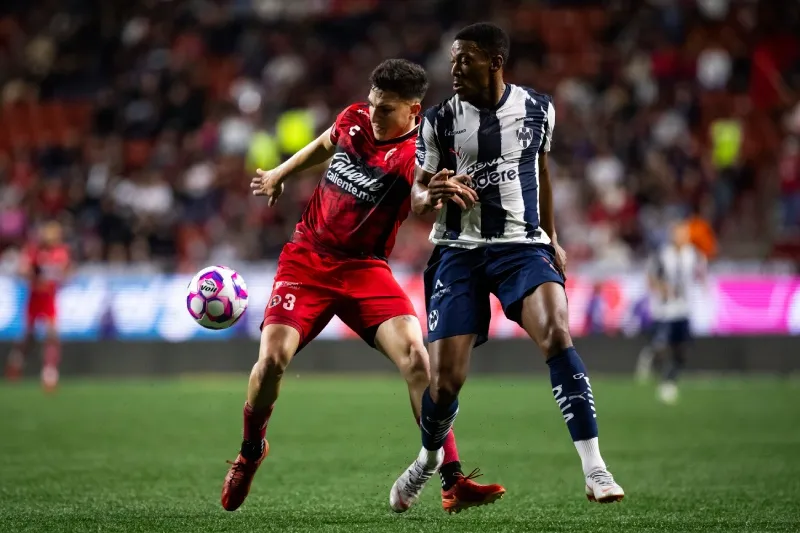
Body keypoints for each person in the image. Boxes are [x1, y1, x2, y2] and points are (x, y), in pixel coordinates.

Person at [221, 59, 504, 513]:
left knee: (418, 360)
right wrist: (280, 173)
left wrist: (432, 195)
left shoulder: (420, 152)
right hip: (307, 258)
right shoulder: (354, 118)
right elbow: (324, 143)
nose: (374, 116)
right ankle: (251, 450)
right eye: (373, 105)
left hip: (364, 270)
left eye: (386, 110)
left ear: (414, 111)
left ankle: (453, 480)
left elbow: (417, 194)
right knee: (272, 359)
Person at [389, 23, 625, 512]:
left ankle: (594, 466)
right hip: (458, 251)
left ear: (495, 62)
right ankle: (429, 459)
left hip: (522, 246)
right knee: (445, 382)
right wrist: (431, 192)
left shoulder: (539, 108)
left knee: (557, 334)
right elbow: (415, 194)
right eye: (452, 60)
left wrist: (553, 236)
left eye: (464, 59)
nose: (453, 68)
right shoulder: (439, 120)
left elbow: (540, 169)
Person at [635, 222, 707, 404]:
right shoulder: (662, 255)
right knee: (662, 345)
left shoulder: (695, 255)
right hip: (664, 309)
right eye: (677, 234)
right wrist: (661, 288)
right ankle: (655, 361)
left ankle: (669, 380)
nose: (681, 237)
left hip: (684, 308)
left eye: (684, 234)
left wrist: (703, 285)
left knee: (682, 347)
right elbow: (650, 275)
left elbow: (701, 274)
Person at [5, 221, 71, 391]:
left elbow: (65, 274)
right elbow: (22, 271)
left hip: (49, 299)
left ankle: (49, 373)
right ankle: (16, 362)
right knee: (29, 337)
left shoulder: (60, 252)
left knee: (52, 335)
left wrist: (57, 275)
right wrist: (33, 272)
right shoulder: (33, 251)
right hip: (35, 298)